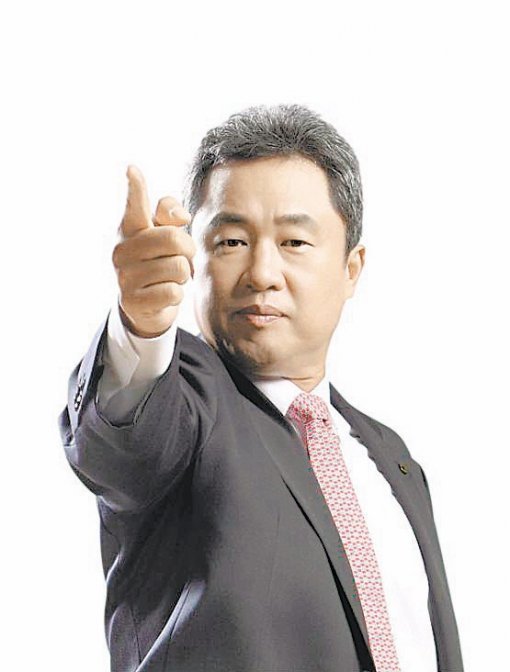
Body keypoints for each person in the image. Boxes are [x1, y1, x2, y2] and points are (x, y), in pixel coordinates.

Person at [58, 103, 464, 672]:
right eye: (231, 242)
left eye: (294, 242)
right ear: (194, 258)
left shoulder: (391, 458)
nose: (262, 274)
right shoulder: (185, 405)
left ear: (351, 268)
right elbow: (125, 441)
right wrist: (140, 328)